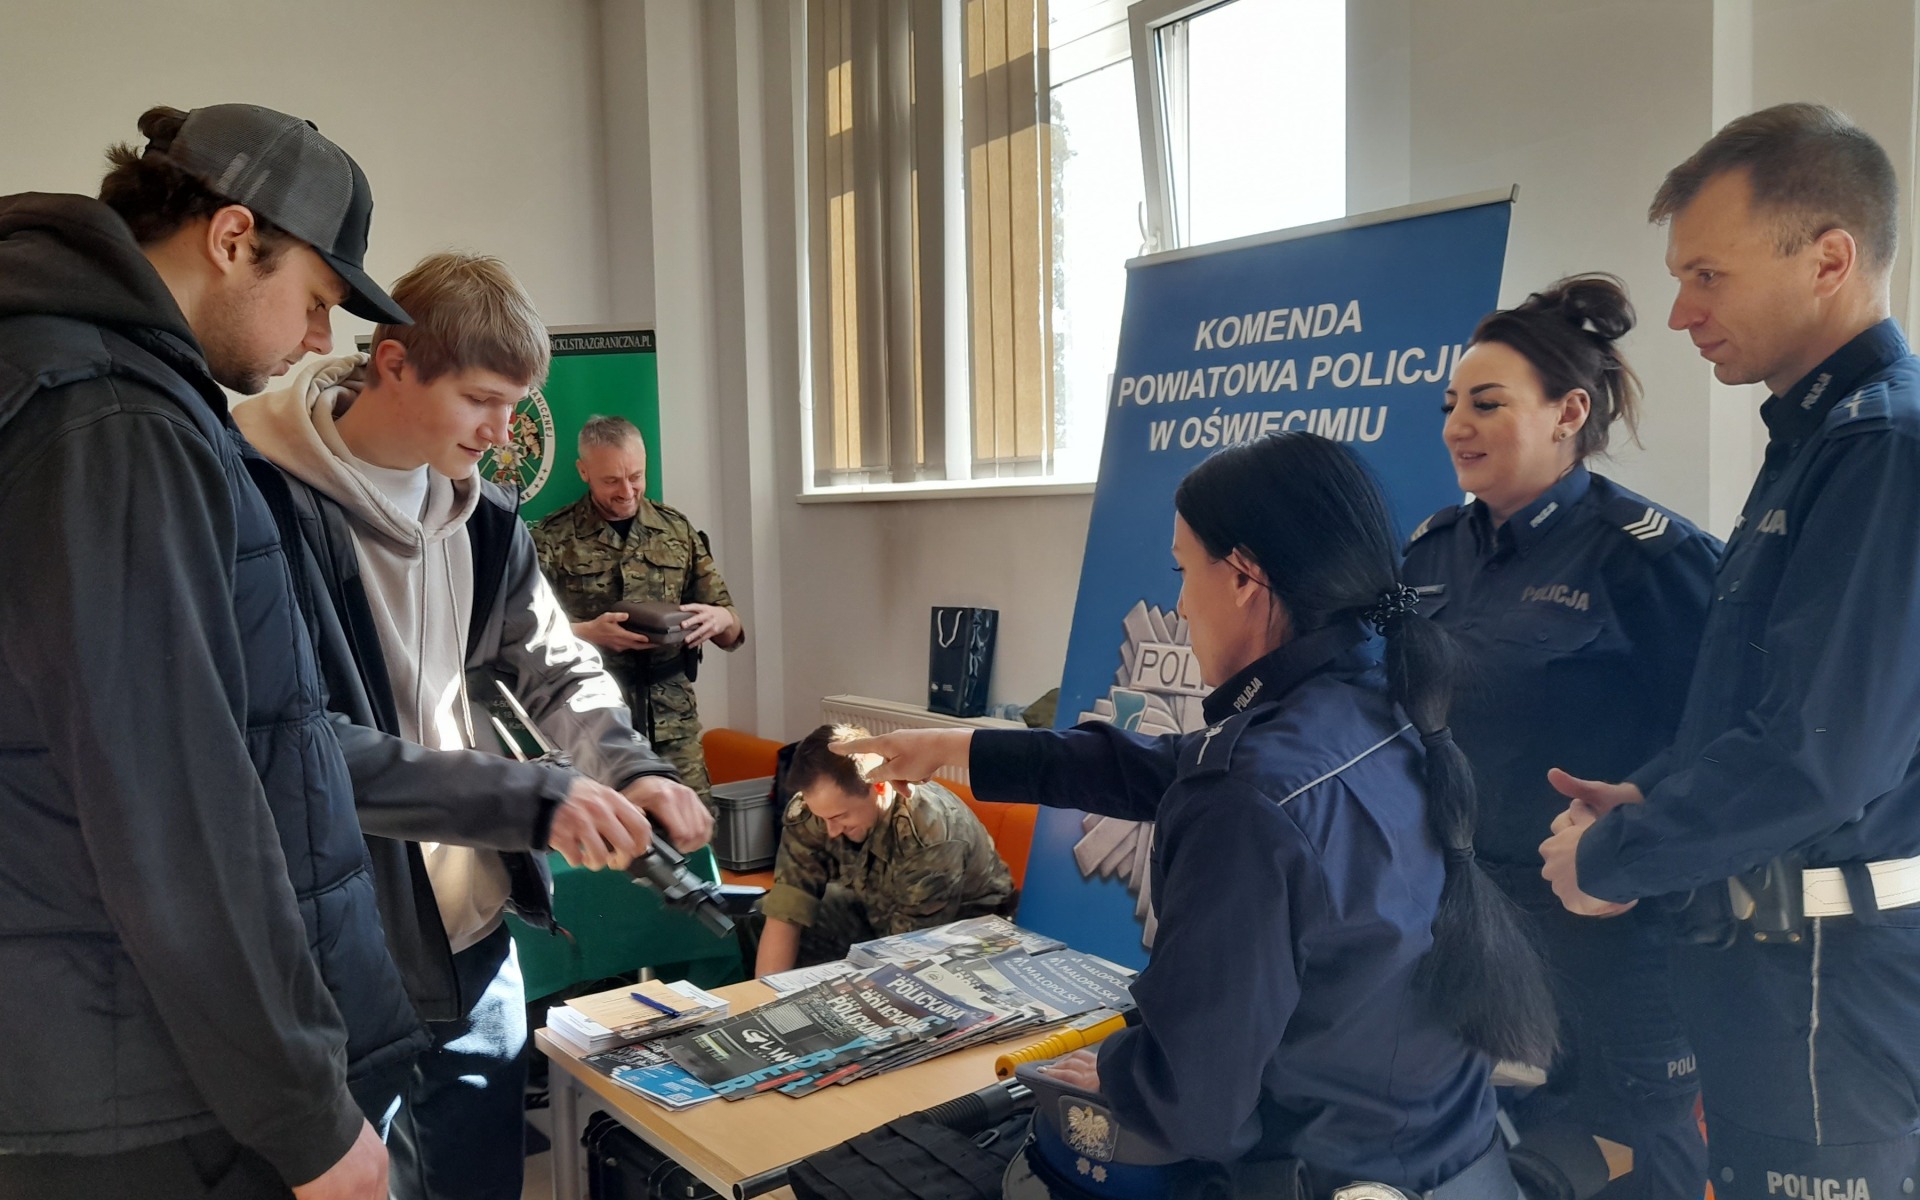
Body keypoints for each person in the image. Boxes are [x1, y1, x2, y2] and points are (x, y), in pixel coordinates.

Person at [837, 432, 1556, 1196]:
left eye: (1184, 571)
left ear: (1243, 576)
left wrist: (1123, 1069)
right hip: (1454, 1161)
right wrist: (949, 747)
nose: (1180, 605)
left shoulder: (1250, 796)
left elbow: (1193, 1101)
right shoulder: (1379, 710)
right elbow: (1152, 767)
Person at [0, 103, 419, 1200]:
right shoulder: (112, 420)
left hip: (99, 1056)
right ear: (234, 238)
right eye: (317, 300)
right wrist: (307, 1117)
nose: (320, 341)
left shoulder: (80, 377)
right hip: (141, 1089)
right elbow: (172, 800)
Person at [235, 251, 713, 1200]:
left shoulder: (489, 521)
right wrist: (532, 798)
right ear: (395, 363)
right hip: (332, 949)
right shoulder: (258, 504)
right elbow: (300, 745)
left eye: (516, 404)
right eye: (482, 401)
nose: (503, 434)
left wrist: (630, 770)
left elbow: (556, 668)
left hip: (472, 939)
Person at [1538, 103, 1920, 1195]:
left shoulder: (1882, 447)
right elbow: (1759, 704)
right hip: (1774, 988)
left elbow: (1819, 757)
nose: (1679, 313)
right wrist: (1649, 793)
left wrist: (1616, 856)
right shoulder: (1816, 441)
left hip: (1829, 1002)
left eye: (1708, 275)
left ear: (1829, 260)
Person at [1400, 275, 1719, 1198]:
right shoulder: (1431, 550)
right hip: (1471, 918)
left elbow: (1726, 731)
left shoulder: (1648, 555)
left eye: (1487, 403)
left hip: (1612, 929)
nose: (1458, 426)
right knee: (1511, 1153)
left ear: (1569, 413)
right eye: (1451, 405)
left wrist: (1633, 838)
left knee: (1642, 1154)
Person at [532, 415, 744, 808]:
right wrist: (587, 632)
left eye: (636, 476)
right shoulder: (551, 537)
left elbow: (731, 627)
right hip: (592, 721)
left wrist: (722, 619)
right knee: (608, 833)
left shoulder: (675, 529)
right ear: (583, 471)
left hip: (672, 720)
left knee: (693, 824)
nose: (627, 491)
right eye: (612, 480)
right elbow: (523, 633)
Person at [754, 724, 1016, 976]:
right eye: (821, 817)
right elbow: (785, 913)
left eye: (840, 817)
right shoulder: (817, 810)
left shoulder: (930, 833)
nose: (830, 830)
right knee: (764, 912)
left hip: (959, 932)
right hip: (879, 911)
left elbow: (908, 951)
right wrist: (763, 996)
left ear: (879, 786)